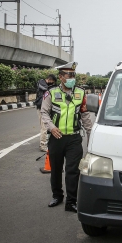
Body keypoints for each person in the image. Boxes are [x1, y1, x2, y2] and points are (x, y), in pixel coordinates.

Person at [40, 62, 92, 212]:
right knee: (56, 169)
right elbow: (44, 112)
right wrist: (52, 127)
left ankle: (71, 201)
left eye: (74, 75)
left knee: (73, 171)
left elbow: (86, 116)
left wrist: (90, 138)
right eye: (69, 75)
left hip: (74, 139)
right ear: (61, 77)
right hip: (56, 138)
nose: (72, 78)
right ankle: (57, 196)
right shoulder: (51, 93)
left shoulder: (81, 93)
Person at [34, 74, 57, 152]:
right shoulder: (41, 82)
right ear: (49, 79)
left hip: (46, 108)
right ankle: (43, 145)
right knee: (44, 127)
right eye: (52, 82)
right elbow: (46, 89)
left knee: (48, 126)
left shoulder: (47, 85)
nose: (52, 84)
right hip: (41, 108)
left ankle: (46, 142)